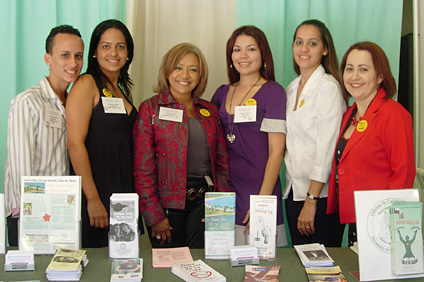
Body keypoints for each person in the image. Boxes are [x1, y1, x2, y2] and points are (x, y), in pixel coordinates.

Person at [133, 43, 230, 248]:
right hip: (166, 207)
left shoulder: (209, 110)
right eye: (178, 67)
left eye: (193, 69)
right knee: (168, 269)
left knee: (202, 268)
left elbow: (222, 163)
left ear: (200, 75)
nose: (185, 75)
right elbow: (143, 168)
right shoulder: (149, 109)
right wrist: (153, 215)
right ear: (167, 70)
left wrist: (219, 207)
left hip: (205, 204)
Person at [327, 41, 416, 246]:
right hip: (356, 217)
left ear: (380, 76)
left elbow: (403, 174)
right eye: (349, 69)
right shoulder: (351, 113)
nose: (354, 76)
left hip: (381, 221)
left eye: (363, 69)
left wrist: (389, 224)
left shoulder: (392, 114)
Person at [4, 25, 84, 246]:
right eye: (65, 55)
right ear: (48, 59)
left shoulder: (74, 103)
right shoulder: (28, 102)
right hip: (30, 213)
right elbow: (22, 168)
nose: (73, 63)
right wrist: (33, 215)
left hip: (62, 211)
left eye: (78, 56)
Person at [66, 19, 140, 248]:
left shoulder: (120, 89)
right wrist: (92, 198)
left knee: (123, 261)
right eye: (106, 46)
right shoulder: (86, 83)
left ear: (128, 52)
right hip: (97, 191)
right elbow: (75, 144)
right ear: (95, 52)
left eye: (120, 46)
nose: (114, 53)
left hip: (123, 191)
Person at [211, 25, 287, 246]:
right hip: (226, 193)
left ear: (263, 55)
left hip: (260, 190)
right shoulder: (221, 92)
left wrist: (261, 203)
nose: (243, 55)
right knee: (224, 264)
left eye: (251, 49)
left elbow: (276, 151)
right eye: (237, 49)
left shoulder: (273, 92)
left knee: (262, 270)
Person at [283, 19, 347, 247]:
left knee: (323, 271)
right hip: (293, 192)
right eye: (299, 42)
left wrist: (311, 200)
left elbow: (326, 151)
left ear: (325, 49)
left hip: (320, 198)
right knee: (301, 265)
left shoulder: (328, 87)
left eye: (312, 43)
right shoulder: (291, 88)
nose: (304, 49)